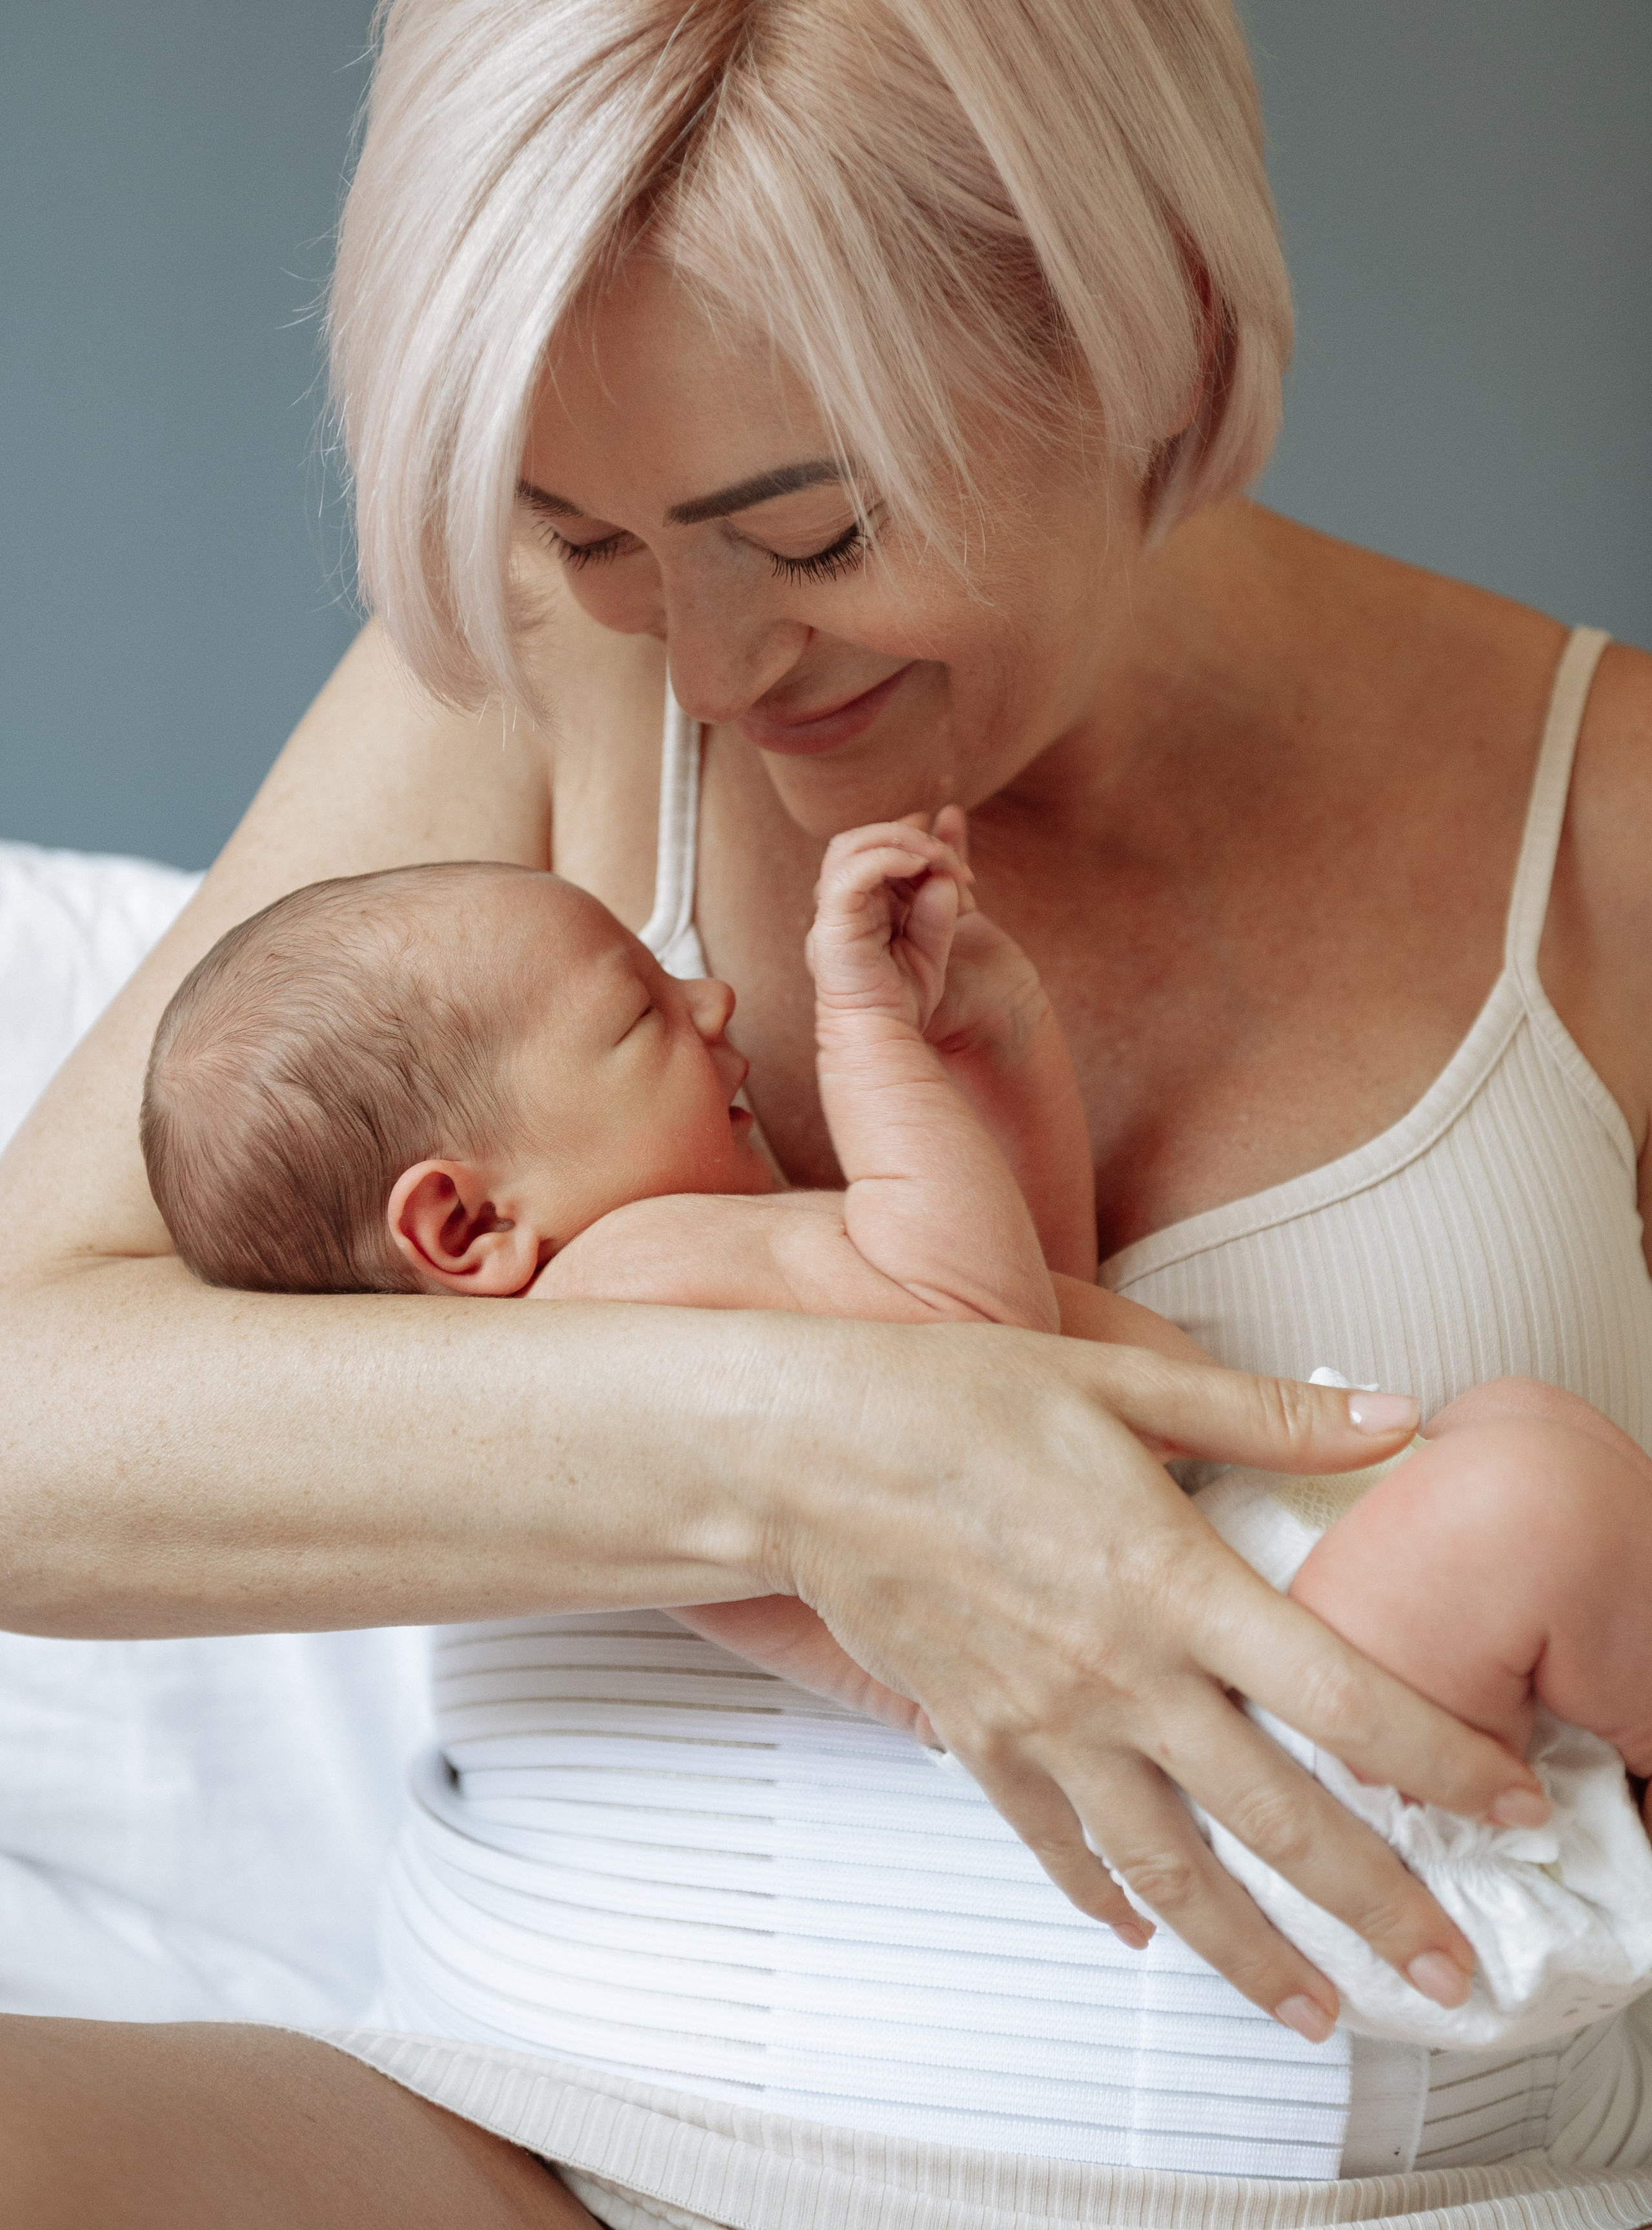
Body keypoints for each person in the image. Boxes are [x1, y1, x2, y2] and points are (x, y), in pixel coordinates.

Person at [0, 0, 1647, 2216]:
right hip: (529, 2143)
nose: (715, 660)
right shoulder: (562, 666)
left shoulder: (1601, 816)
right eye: (591, 533)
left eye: (811, 530)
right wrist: (830, 1460)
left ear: (1146, 325)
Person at [137, 824, 1652, 2058]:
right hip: (1232, 1757)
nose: (713, 1004)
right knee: (1525, 1492)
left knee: (1513, 1435)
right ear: (466, 1223)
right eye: (633, 1015)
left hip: (1241, 1676)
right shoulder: (621, 1303)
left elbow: (1034, 1329)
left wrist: (997, 1052)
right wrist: (864, 1032)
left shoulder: (715, 1279)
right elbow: (971, 1326)